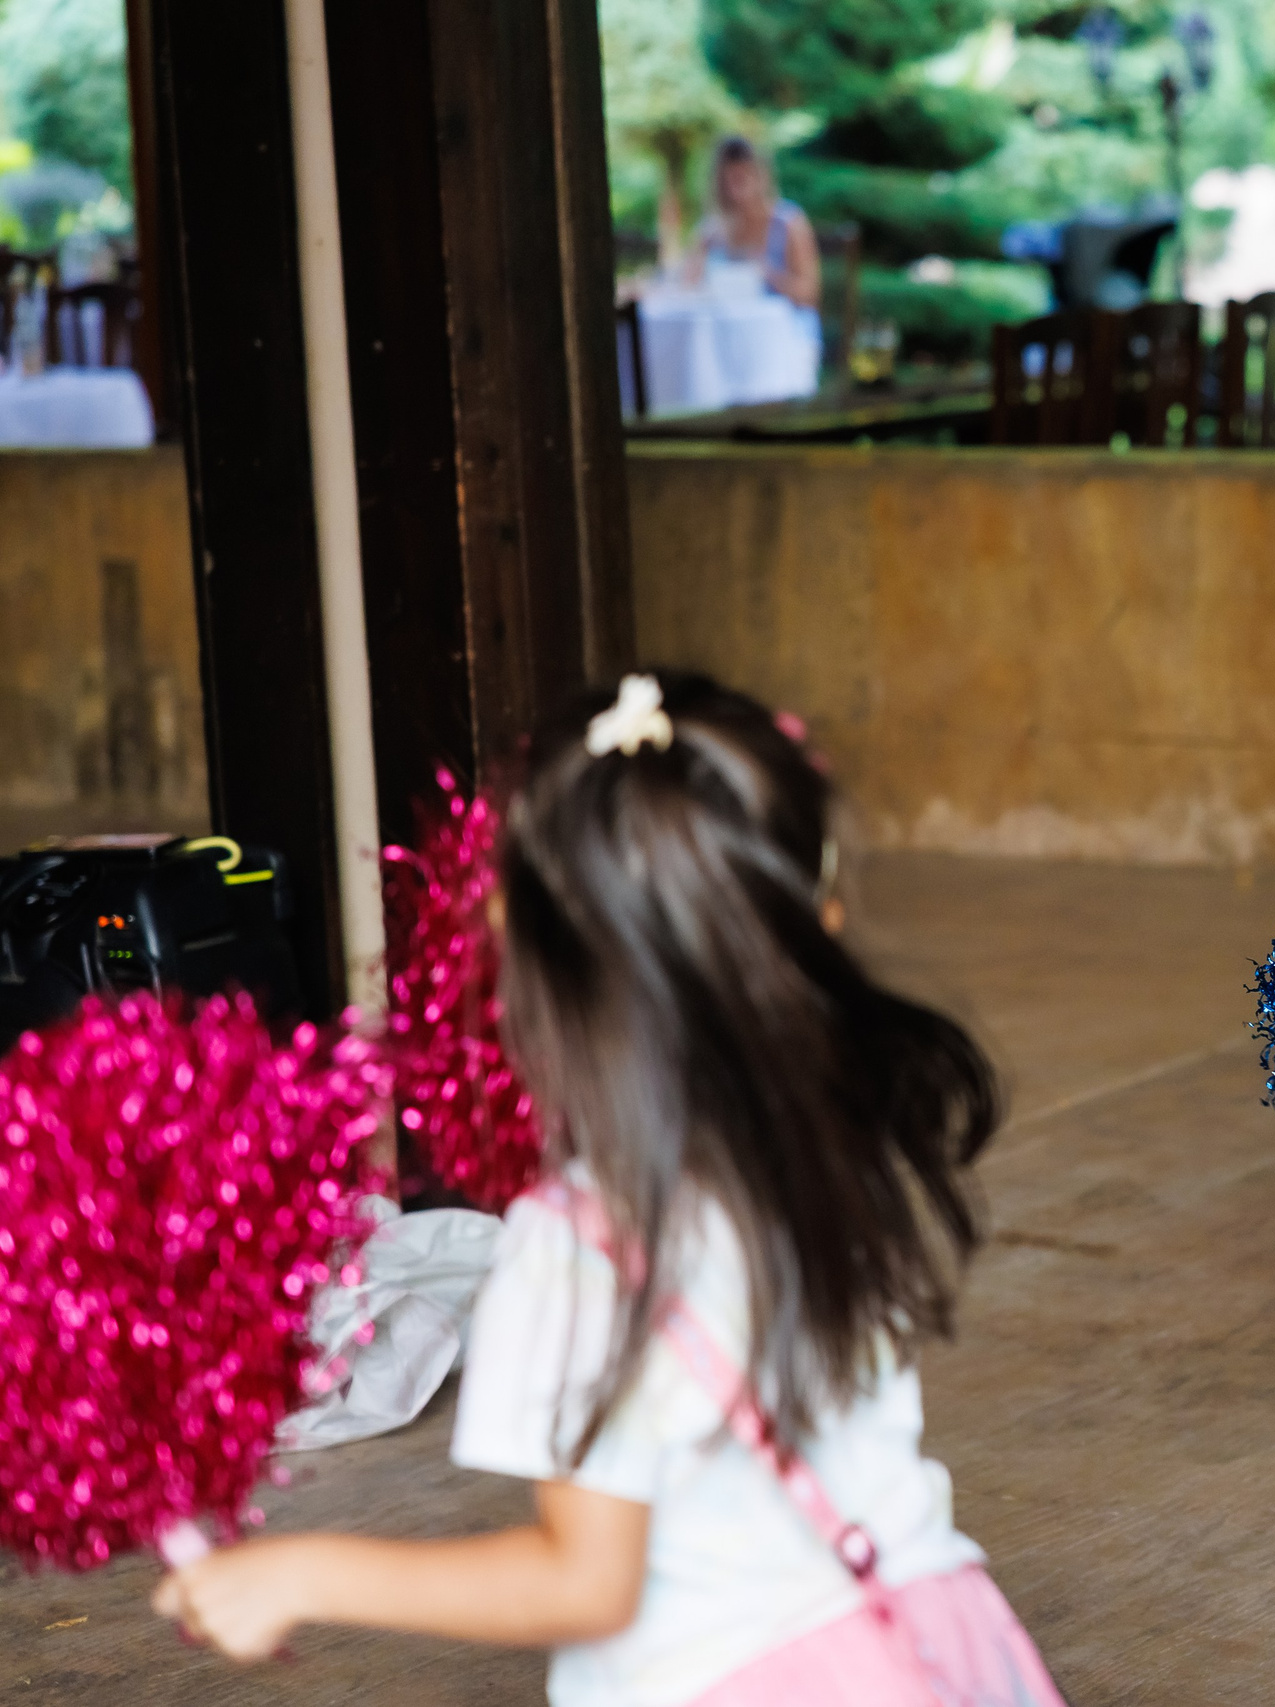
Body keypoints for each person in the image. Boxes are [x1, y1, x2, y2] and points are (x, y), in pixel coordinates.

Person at [152, 672, 1068, 1707]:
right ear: (815, 916)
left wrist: (302, 1572)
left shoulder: (579, 1245)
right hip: (936, 1642)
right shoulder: (833, 1138)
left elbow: (586, 1581)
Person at [694, 135, 822, 342]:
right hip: (726, 335)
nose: (737, 192)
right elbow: (685, 281)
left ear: (761, 176)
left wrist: (768, 273)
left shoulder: (788, 223)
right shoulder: (711, 230)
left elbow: (809, 295)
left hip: (783, 338)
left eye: (742, 179)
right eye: (728, 182)